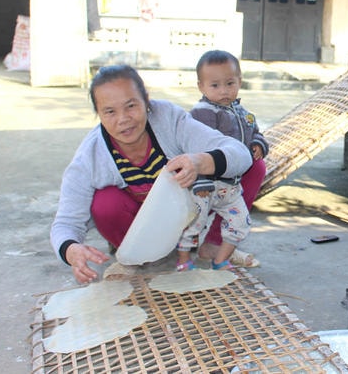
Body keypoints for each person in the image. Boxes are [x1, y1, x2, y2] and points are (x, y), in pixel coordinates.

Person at [50, 64, 253, 284]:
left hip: (186, 217)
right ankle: (135, 258)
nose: (123, 119)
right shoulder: (90, 156)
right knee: (105, 203)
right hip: (137, 228)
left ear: (146, 100)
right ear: (98, 113)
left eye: (131, 106)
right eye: (110, 111)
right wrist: (71, 250)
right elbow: (65, 223)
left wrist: (201, 161)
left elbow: (239, 153)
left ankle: (213, 244)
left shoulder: (168, 119)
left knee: (252, 167)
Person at [189, 50, 268, 268]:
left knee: (258, 167)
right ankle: (180, 251)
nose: (224, 91)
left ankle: (215, 243)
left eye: (230, 83)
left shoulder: (242, 111)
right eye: (215, 85)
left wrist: (257, 145)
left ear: (239, 82)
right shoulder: (203, 113)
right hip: (207, 179)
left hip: (231, 183)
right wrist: (201, 178)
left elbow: (255, 131)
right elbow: (197, 149)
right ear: (201, 87)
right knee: (193, 219)